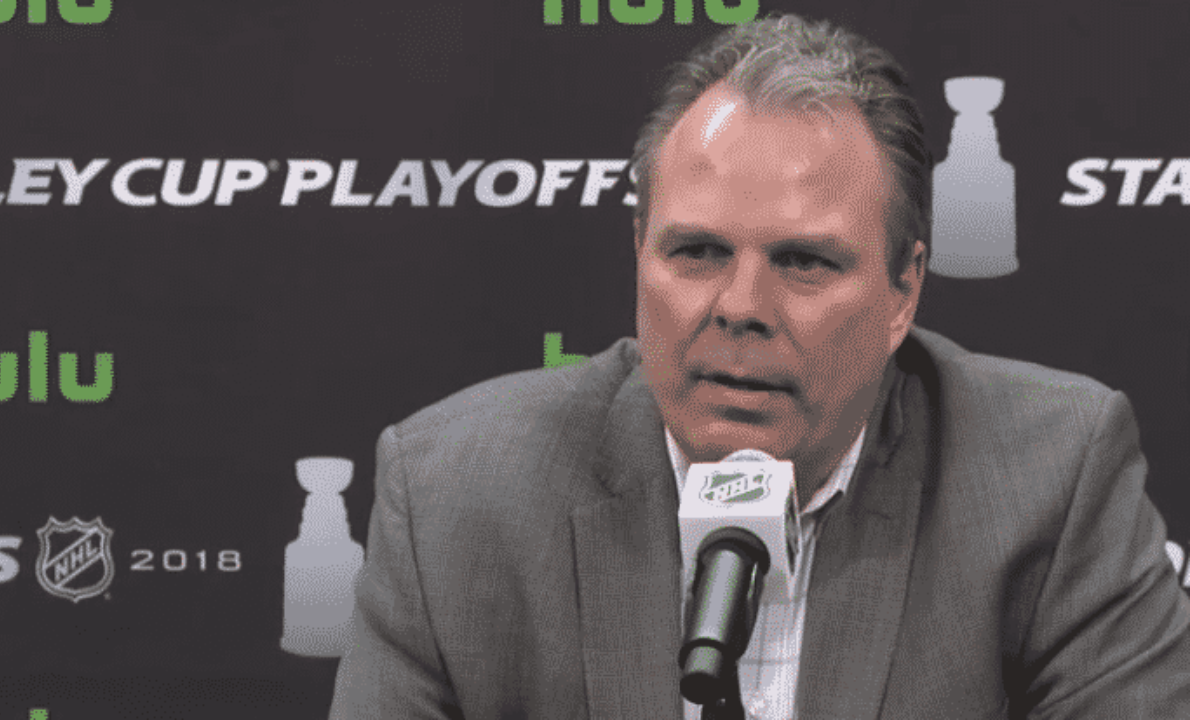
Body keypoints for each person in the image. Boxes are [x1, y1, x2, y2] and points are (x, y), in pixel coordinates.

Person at [331, 13, 1190, 719]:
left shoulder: (1048, 483)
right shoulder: (454, 501)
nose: (740, 306)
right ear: (639, 253)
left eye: (804, 261)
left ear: (903, 290)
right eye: (697, 251)